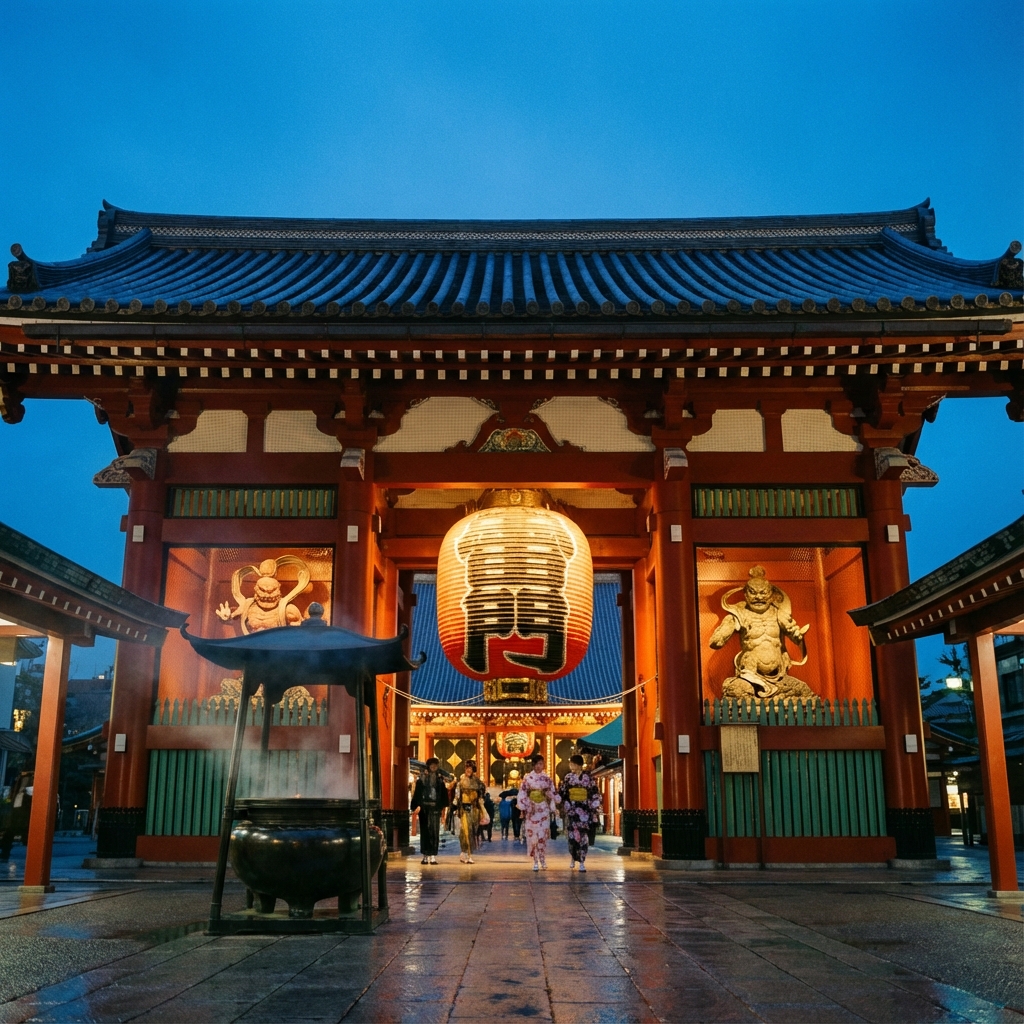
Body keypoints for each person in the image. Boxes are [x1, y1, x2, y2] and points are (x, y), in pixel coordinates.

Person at [558, 755, 601, 872]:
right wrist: (561, 803)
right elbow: (563, 792)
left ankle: (582, 861)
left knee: (583, 837)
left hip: (584, 811)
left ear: (578, 765)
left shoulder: (588, 777)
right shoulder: (568, 777)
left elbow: (594, 792)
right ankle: (573, 857)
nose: (570, 765)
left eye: (572, 763)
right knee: (572, 836)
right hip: (572, 810)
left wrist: (594, 805)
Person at [517, 754, 559, 871]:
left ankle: (542, 858)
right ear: (533, 765)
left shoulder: (547, 778)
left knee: (542, 836)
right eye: (538, 764)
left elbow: (552, 792)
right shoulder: (527, 778)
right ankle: (535, 860)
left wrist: (553, 802)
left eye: (541, 764)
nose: (540, 766)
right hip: (532, 810)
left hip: (543, 809)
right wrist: (525, 805)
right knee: (533, 837)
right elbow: (522, 793)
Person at [410, 758, 444, 865]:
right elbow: (417, 794)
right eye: (431, 765)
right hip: (424, 808)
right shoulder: (422, 780)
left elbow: (443, 795)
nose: (433, 767)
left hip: (435, 808)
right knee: (425, 832)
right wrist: (417, 805)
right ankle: (425, 855)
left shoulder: (439, 780)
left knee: (434, 832)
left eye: (435, 765)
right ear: (428, 766)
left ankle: (433, 855)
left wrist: (440, 806)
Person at [451, 760, 486, 863]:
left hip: (475, 809)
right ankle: (466, 853)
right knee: (465, 831)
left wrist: (481, 801)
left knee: (473, 831)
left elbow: (482, 793)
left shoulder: (478, 782)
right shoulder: (461, 781)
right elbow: (457, 795)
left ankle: (467, 853)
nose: (468, 770)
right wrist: (455, 807)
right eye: (467, 768)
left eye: (470, 768)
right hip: (464, 809)